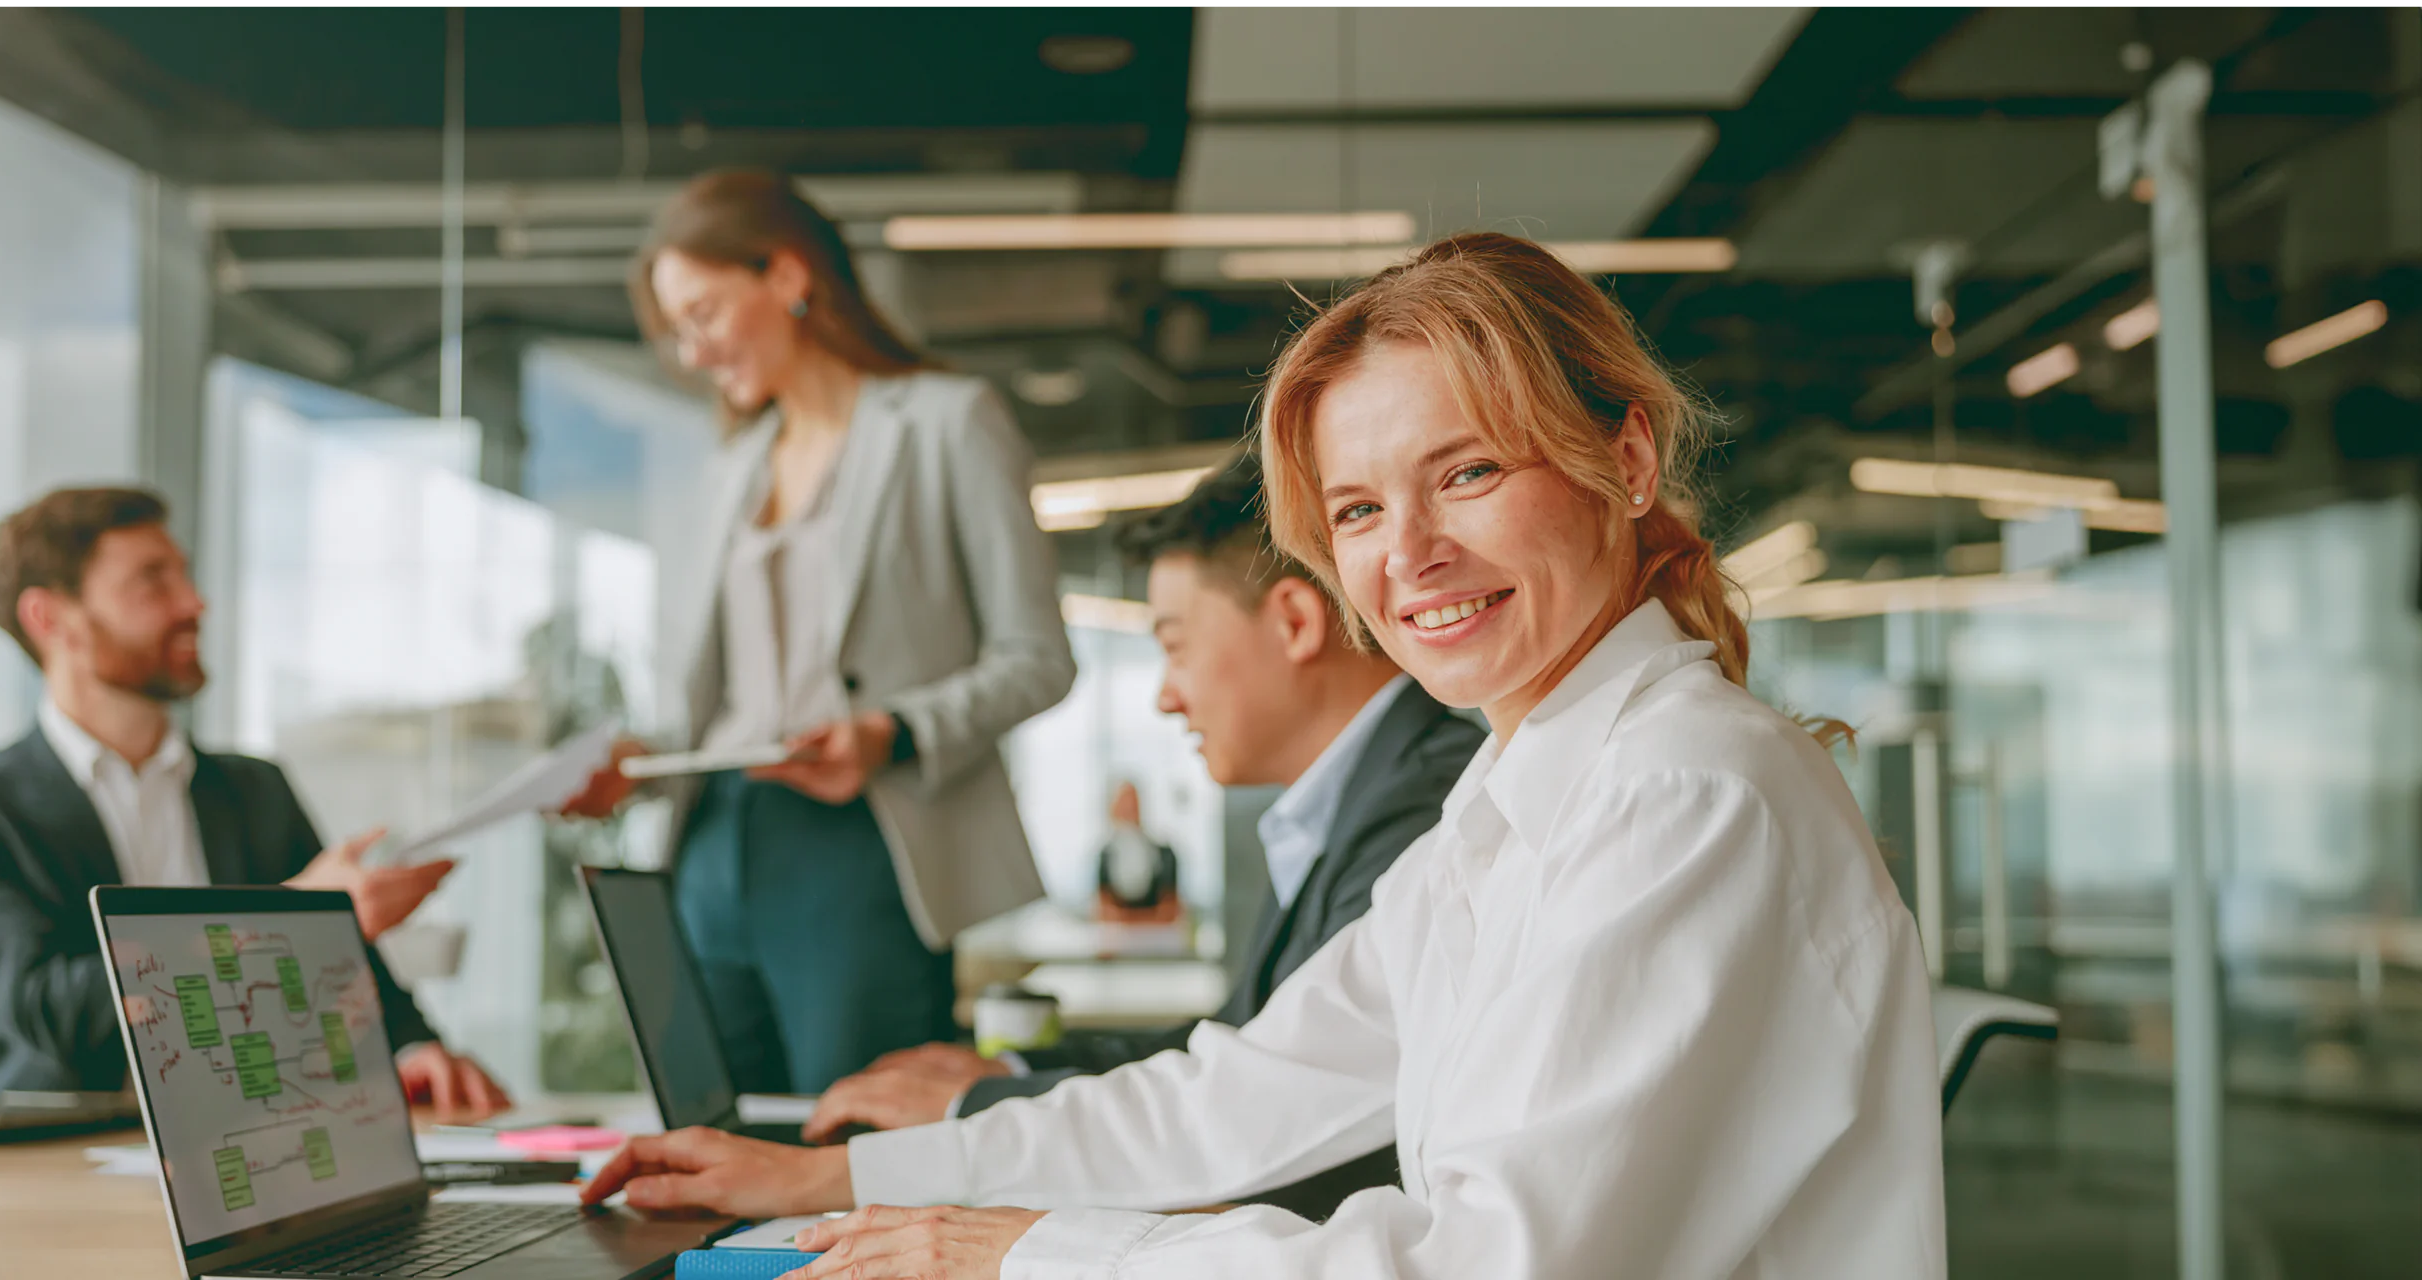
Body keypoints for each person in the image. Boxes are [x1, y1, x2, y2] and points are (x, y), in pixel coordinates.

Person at [577, 231, 1945, 1280]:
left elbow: (1485, 1265)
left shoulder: (1683, 792)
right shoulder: (1518, 798)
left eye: (1467, 473)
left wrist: (1023, 1248)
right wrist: (840, 1183)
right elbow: (1228, 1102)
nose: (1408, 557)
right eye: (1358, 508)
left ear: (1627, 460)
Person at [803, 451, 1483, 1228]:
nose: (1164, 694)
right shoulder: (1363, 801)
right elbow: (1233, 1051)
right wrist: (1005, 1075)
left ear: (1295, 622)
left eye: (1174, 645)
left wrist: (971, 1114)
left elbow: (1253, 1116)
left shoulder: (1429, 812)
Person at [559, 169, 1074, 1095]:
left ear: (790, 277)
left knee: (851, 1148)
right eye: (678, 330)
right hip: (710, 843)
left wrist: (894, 729)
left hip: (857, 849)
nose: (694, 350)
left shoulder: (947, 422)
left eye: (705, 312)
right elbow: (722, 698)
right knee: (713, 1141)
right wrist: (640, 763)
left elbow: (1037, 659)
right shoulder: (734, 464)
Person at [0, 487, 507, 1121]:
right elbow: (49, 1012)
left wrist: (410, 1047)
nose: (194, 603)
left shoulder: (254, 790)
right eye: (151, 583)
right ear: (51, 620)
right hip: (63, 1163)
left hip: (265, 1138)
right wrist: (288, 916)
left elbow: (348, 972)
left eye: (183, 575)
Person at [1092, 781, 1181, 926]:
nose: (1128, 810)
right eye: (1123, 805)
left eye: (1132, 804)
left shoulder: (1165, 854)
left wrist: (1125, 919)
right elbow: (1103, 911)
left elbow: (1169, 911)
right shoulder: (1105, 855)